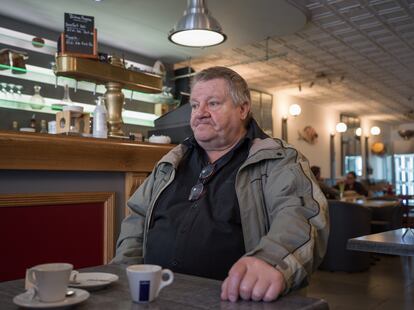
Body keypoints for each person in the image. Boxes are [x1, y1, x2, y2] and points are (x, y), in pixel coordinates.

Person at [112, 66, 329, 302]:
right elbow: (138, 216)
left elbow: (301, 214)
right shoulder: (172, 160)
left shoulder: (279, 160)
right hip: (155, 297)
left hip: (236, 300)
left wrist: (272, 260)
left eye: (213, 103)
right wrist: (125, 270)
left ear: (243, 109)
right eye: (195, 105)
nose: (200, 113)